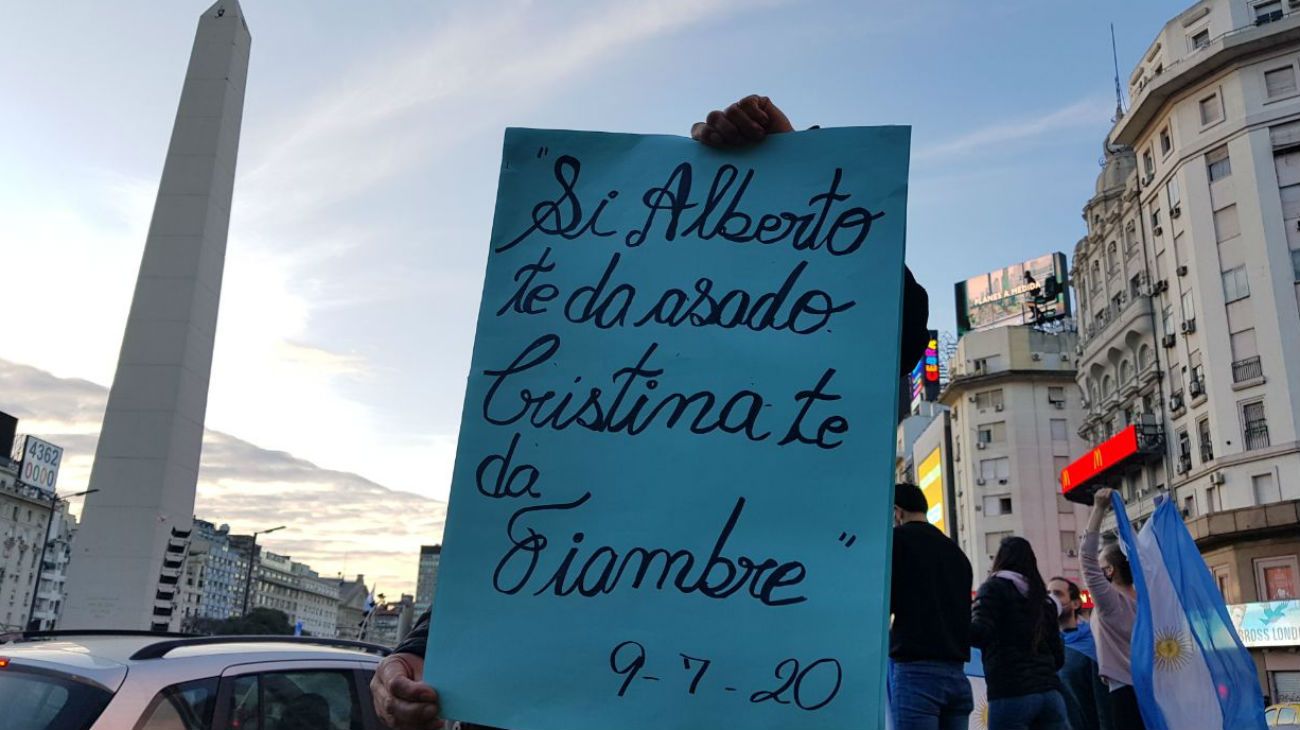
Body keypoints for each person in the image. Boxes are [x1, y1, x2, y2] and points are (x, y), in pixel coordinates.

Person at [369, 94, 934, 729]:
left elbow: (896, 326)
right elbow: (505, 554)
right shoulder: (555, 439)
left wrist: (801, 178)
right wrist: (411, 663)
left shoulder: (797, 438)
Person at [890, 482, 975, 730]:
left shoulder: (898, 542)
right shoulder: (957, 554)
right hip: (958, 675)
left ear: (897, 511)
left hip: (917, 674)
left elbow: (889, 601)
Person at [970, 536, 1068, 729]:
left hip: (1011, 693)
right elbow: (1058, 657)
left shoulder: (993, 589)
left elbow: (980, 634)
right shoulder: (1043, 599)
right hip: (1051, 696)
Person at [1081, 487, 1146, 730]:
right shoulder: (1146, 600)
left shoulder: (1111, 602)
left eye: (1102, 566)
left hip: (1122, 690)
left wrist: (1098, 509)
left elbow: (1086, 559)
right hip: (1151, 688)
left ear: (1109, 571)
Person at [1048, 576, 1114, 730]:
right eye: (1048, 593)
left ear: (1075, 603)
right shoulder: (1044, 645)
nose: (1051, 599)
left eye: (1058, 593)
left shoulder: (1094, 641)